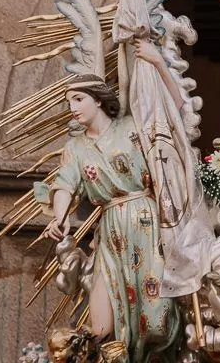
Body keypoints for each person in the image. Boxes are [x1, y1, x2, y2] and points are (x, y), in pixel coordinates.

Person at [35, 38, 182, 363]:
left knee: (155, 322)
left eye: (78, 99)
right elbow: (64, 185)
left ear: (99, 100)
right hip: (112, 231)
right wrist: (59, 217)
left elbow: (174, 113)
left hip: (148, 224)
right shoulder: (75, 147)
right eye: (69, 101)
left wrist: (158, 63)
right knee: (101, 326)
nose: (72, 107)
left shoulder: (131, 127)